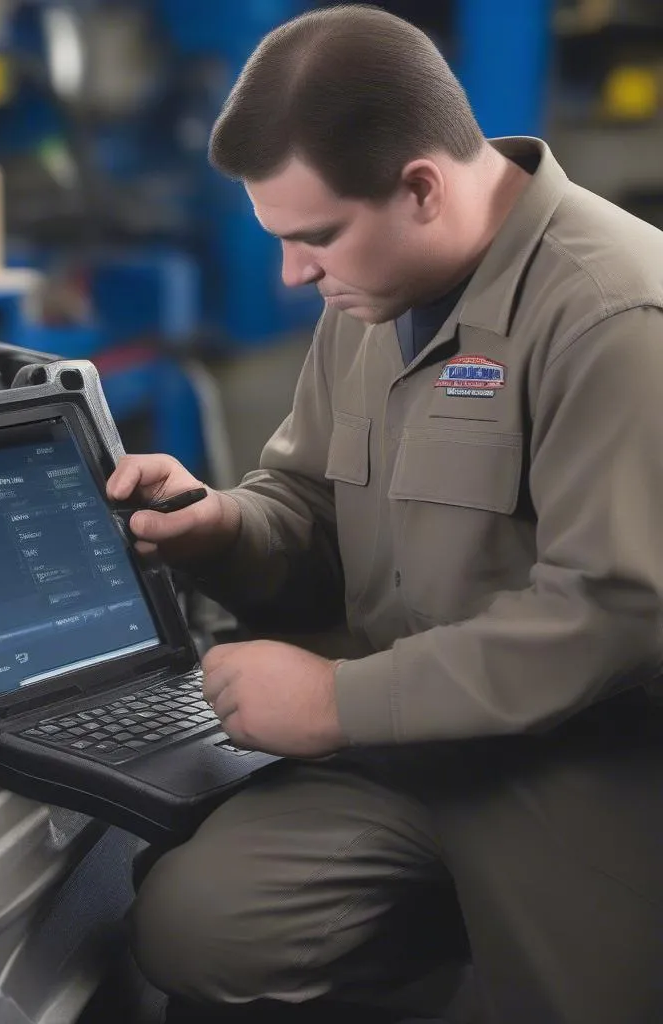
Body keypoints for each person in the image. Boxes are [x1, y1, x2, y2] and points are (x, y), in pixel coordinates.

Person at [107, 7, 663, 1024]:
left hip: (587, 764)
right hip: (402, 752)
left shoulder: (615, 314)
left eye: (313, 236)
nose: (292, 274)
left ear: (419, 186)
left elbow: (609, 614)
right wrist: (222, 526)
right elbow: (309, 502)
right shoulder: (367, 296)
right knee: (191, 929)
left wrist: (334, 703)